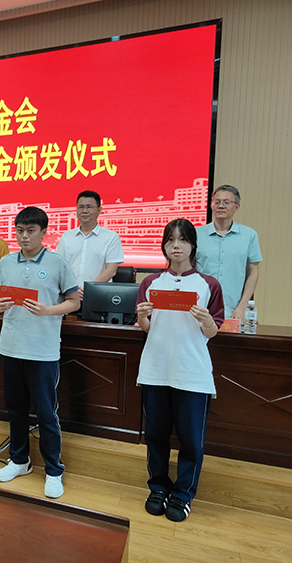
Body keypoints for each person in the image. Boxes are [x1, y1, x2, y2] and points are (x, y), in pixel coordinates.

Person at [0, 206, 79, 499]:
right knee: (15, 408)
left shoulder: (56, 263)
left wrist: (47, 311)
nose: (24, 236)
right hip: (10, 346)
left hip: (42, 350)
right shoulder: (6, 262)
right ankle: (19, 460)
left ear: (43, 232)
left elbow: (74, 301)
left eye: (30, 231)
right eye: (20, 231)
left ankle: (53, 470)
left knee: (46, 412)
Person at [136, 219, 224, 522]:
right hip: (156, 369)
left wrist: (206, 320)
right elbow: (148, 328)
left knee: (191, 439)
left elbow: (213, 331)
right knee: (156, 435)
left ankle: (183, 493)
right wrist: (142, 316)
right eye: (170, 240)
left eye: (183, 240)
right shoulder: (150, 283)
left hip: (192, 372)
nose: (176, 246)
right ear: (164, 246)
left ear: (192, 246)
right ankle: (158, 487)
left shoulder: (208, 284)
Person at [196, 185, 262, 319]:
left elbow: (253, 273)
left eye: (226, 202)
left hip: (233, 311)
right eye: (217, 202)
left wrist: (242, 307)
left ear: (236, 207)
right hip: (199, 309)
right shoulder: (196, 234)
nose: (221, 206)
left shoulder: (249, 235)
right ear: (211, 205)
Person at [55, 190, 124, 302]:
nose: (84, 211)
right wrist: (71, 290)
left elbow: (111, 270)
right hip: (69, 297)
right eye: (81, 207)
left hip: (98, 296)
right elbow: (58, 267)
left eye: (89, 207)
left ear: (99, 210)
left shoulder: (111, 237)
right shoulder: (67, 236)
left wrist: (89, 289)